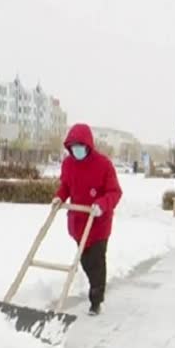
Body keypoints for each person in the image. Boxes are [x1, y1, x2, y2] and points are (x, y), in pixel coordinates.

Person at [53, 123, 122, 316]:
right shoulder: (68, 164)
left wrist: (101, 204)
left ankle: (96, 300)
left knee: (97, 262)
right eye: (73, 147)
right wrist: (60, 197)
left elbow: (115, 192)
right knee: (85, 261)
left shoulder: (103, 164)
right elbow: (66, 186)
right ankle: (94, 287)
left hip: (98, 223)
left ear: (88, 145)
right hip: (78, 222)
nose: (77, 150)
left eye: (80, 146)